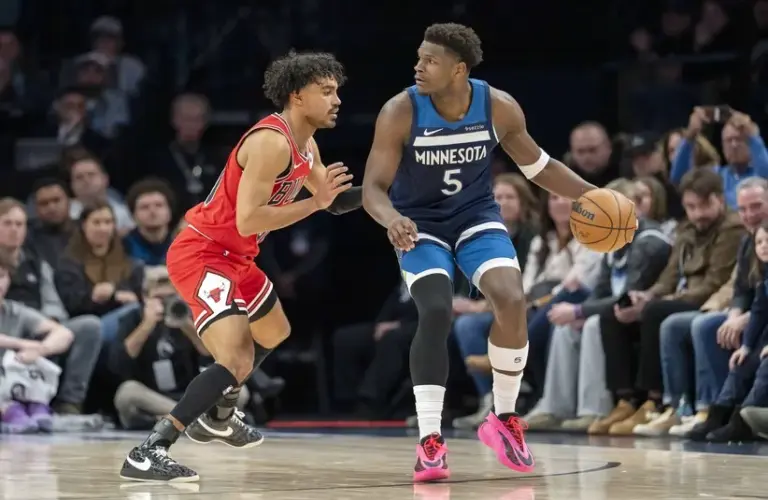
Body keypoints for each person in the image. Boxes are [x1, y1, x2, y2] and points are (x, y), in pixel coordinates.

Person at [361, 23, 635, 482]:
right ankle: (431, 440)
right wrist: (391, 220)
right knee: (435, 310)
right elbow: (373, 188)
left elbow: (539, 167)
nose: (418, 66)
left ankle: (503, 418)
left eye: (430, 60)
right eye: (419, 57)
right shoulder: (400, 111)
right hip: (418, 224)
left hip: (475, 217)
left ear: (459, 69)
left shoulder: (498, 106)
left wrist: (596, 195)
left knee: (511, 298)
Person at [119, 51, 362, 482]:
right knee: (234, 357)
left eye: (337, 91)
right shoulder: (271, 141)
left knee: (275, 331)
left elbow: (332, 199)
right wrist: (316, 202)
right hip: (203, 251)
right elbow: (250, 219)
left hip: (237, 256)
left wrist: (389, 193)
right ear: (296, 96)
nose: (336, 99)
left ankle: (219, 416)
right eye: (326, 91)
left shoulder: (307, 144)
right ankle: (149, 449)